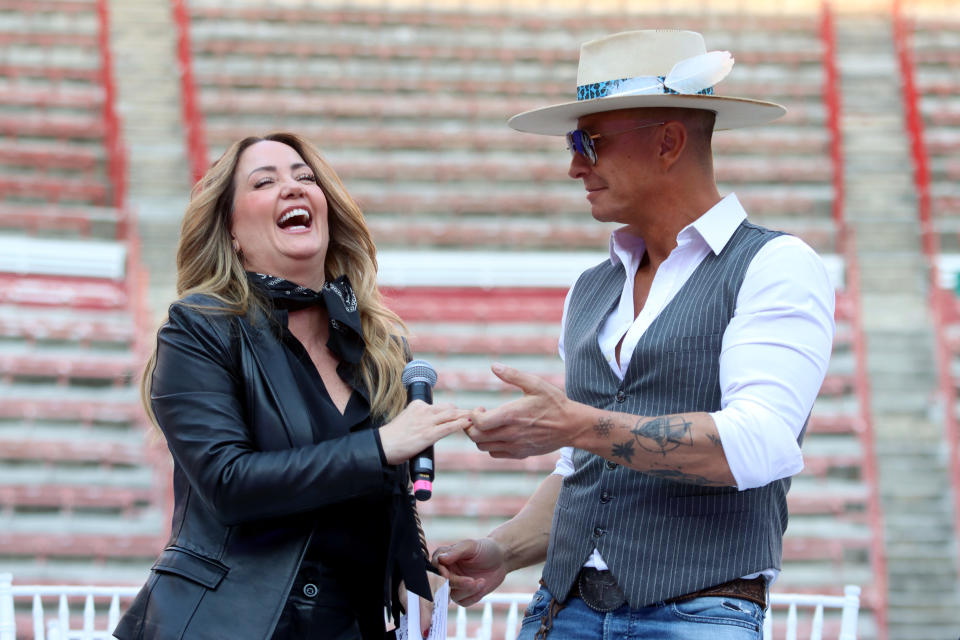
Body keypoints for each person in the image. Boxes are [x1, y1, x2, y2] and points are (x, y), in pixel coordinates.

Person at [433, 30, 836, 639]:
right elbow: (582, 471)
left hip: (699, 614)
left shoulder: (775, 265)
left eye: (587, 142)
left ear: (669, 142)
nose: (574, 166)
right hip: (561, 609)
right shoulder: (591, 288)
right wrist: (502, 551)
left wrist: (575, 422)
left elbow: (756, 444)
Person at [113, 132, 470, 640]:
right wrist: (378, 446)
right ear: (232, 230)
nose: (293, 188)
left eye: (305, 178)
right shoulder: (198, 328)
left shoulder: (380, 346)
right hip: (224, 626)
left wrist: (411, 571)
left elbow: (389, 496)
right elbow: (228, 483)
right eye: (265, 182)